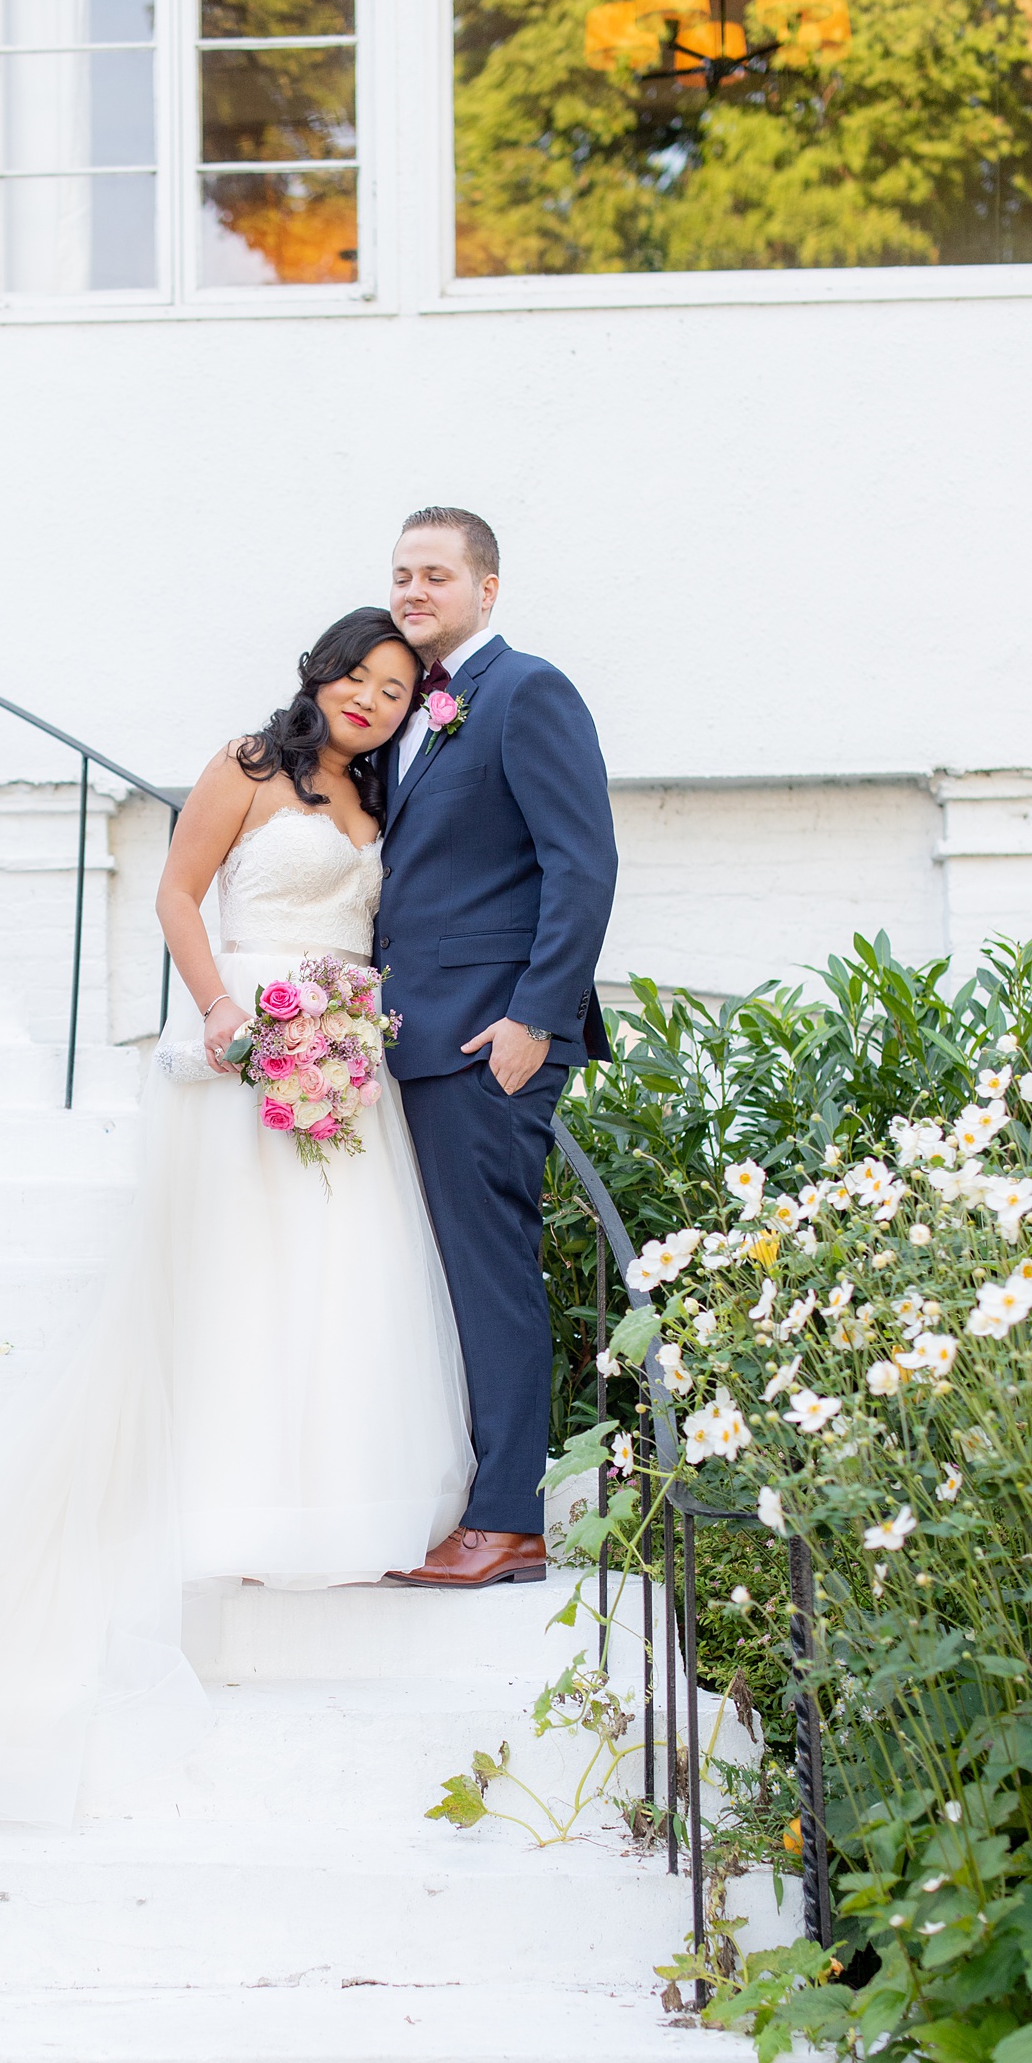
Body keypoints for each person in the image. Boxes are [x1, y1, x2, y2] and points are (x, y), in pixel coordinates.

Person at [0, 608, 472, 1827]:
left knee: (340, 1282)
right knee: (243, 1278)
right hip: (243, 1051)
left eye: (394, 685)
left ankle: (323, 1495)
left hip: (339, 1066)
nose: (370, 697)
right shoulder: (247, 767)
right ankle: (228, 1500)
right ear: (316, 675)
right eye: (356, 676)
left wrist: (342, 1025)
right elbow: (176, 890)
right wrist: (221, 1011)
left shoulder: (380, 797)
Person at [376, 506, 617, 1590]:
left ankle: (507, 1518)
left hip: (487, 1038)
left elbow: (581, 863)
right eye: (400, 575)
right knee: (437, 1279)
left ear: (487, 588)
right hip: (415, 1035)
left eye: (435, 573)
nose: (413, 590)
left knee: (488, 1274)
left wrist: (533, 1019)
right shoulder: (414, 712)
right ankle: (463, 1500)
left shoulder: (526, 691)